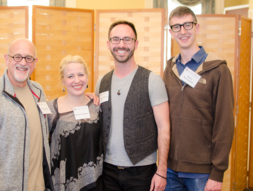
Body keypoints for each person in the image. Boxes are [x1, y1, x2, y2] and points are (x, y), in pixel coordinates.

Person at [163, 6, 234, 191]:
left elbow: (224, 124)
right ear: (171, 32)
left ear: (197, 27)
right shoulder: (169, 69)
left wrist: (218, 173)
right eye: (177, 27)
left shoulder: (218, 70)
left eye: (187, 25)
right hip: (170, 170)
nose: (183, 31)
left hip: (202, 172)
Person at [95, 20, 170, 191]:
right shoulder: (101, 82)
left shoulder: (153, 81)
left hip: (142, 172)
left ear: (136, 44)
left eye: (127, 39)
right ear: (108, 44)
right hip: (107, 171)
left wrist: (162, 171)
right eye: (116, 39)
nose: (121, 44)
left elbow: (164, 127)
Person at [0, 38, 54, 191]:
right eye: (17, 56)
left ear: (35, 62)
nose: (23, 63)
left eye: (29, 58)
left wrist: (80, 98)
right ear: (6, 59)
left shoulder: (38, 91)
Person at [47, 55, 103, 191]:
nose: (77, 80)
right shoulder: (50, 111)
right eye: (70, 76)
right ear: (63, 81)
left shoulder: (97, 107)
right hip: (61, 184)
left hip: (94, 183)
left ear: (87, 77)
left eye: (80, 74)